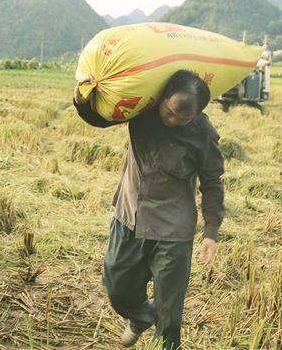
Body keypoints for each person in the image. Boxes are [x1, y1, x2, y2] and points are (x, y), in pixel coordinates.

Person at [73, 70, 225, 349]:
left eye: (184, 119)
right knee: (117, 288)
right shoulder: (142, 110)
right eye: (170, 113)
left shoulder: (203, 133)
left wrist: (211, 232)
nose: (173, 122)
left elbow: (212, 182)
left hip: (172, 230)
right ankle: (142, 317)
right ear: (163, 98)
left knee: (169, 320)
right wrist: (82, 98)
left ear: (198, 113)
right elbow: (100, 118)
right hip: (129, 216)